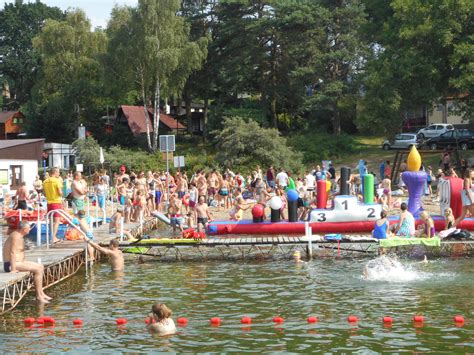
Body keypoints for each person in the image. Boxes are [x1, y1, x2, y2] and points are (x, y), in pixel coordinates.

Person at [2, 222, 52, 303]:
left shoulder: (20, 235)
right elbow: (12, 252)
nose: (30, 229)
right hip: (11, 265)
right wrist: (13, 269)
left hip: (19, 262)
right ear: (24, 229)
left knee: (41, 267)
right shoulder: (16, 236)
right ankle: (38, 296)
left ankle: (41, 293)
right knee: (38, 270)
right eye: (29, 228)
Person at [42, 167, 63, 244]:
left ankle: (51, 236)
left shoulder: (45, 182)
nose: (59, 173)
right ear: (55, 172)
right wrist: (62, 194)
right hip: (56, 201)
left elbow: (44, 193)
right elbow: (60, 192)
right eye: (58, 172)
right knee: (57, 221)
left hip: (49, 202)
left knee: (50, 220)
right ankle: (53, 237)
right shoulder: (57, 181)